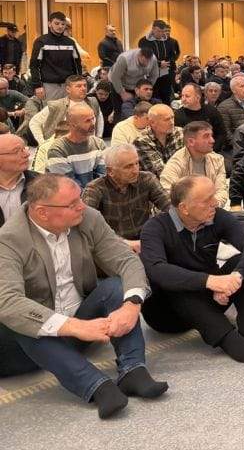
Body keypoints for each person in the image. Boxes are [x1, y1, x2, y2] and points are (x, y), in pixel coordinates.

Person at [0, 174, 167, 415]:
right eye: (72, 204)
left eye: (79, 199)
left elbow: (125, 260)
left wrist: (132, 304)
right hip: (26, 347)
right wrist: (74, 326)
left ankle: (133, 370)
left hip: (80, 325)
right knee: (20, 317)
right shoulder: (9, 240)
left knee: (115, 287)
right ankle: (96, 386)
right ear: (42, 212)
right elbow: (8, 301)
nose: (82, 206)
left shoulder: (87, 217)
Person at [140, 176, 244, 362]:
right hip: (167, 314)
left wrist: (235, 277)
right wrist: (211, 282)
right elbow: (157, 270)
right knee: (175, 283)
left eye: (213, 196)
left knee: (240, 264)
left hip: (208, 300)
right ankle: (228, 339)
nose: (215, 202)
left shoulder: (217, 216)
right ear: (184, 208)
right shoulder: (155, 228)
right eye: (207, 200)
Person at [83, 145, 170, 253]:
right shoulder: (94, 189)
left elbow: (169, 206)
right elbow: (88, 225)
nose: (135, 170)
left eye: (137, 163)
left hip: (145, 240)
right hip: (111, 246)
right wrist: (124, 243)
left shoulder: (147, 179)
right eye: (128, 167)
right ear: (110, 171)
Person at [159, 122, 229, 207]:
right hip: (185, 212)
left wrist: (212, 206)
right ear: (191, 142)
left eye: (211, 136)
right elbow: (167, 196)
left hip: (212, 208)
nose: (212, 141)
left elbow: (221, 191)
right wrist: (196, 209)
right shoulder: (175, 164)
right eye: (206, 136)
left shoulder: (217, 160)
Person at [28, 73, 104, 145]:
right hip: (62, 148)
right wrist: (42, 143)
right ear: (68, 89)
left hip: (89, 147)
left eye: (85, 85)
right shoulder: (56, 105)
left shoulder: (93, 102)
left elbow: (99, 119)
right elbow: (34, 122)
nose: (83, 88)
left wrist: (98, 138)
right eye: (78, 86)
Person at [46, 103, 107, 187]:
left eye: (93, 118)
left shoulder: (99, 144)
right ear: (73, 125)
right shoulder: (58, 150)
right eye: (87, 121)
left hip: (95, 193)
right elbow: (68, 186)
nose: (93, 123)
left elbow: (103, 178)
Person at [29, 11, 82, 100]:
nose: (60, 26)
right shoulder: (41, 41)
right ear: (49, 24)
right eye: (56, 23)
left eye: (63, 24)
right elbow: (34, 65)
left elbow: (77, 64)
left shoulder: (70, 42)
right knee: (51, 109)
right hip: (49, 86)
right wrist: (37, 86)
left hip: (68, 85)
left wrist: (79, 81)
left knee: (71, 109)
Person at [174, 83, 229, 154]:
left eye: (187, 96)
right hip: (189, 153)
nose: (183, 99)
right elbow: (179, 140)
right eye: (182, 96)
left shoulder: (211, 111)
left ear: (198, 98)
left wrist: (212, 150)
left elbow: (221, 133)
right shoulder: (178, 115)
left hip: (212, 151)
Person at [133, 104, 184, 177]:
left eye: (172, 118)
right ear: (152, 123)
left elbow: (189, 161)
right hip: (159, 182)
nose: (172, 122)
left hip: (183, 178)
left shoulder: (180, 133)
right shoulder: (141, 141)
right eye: (166, 120)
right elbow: (160, 172)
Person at [137, 20, 179, 106]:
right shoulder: (144, 41)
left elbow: (172, 55)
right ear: (153, 29)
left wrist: (168, 63)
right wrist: (159, 64)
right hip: (151, 74)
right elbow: (145, 57)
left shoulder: (169, 41)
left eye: (163, 31)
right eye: (158, 31)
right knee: (153, 98)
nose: (161, 34)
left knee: (166, 98)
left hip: (166, 74)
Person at [218, 74, 244, 140]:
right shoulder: (224, 107)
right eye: (242, 86)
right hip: (238, 142)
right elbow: (226, 132)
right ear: (233, 90)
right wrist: (240, 143)